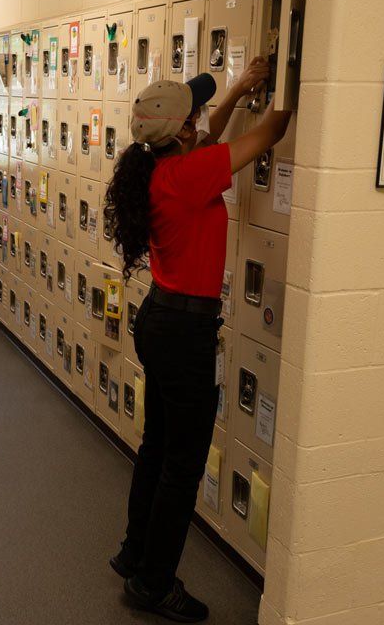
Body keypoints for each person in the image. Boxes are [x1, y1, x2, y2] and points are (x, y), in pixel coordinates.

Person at [103, 61, 292, 623]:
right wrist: (295, 70)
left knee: (156, 448)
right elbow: (272, 133)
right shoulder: (191, 175)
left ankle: (134, 554)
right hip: (184, 336)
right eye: (195, 113)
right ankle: (154, 584)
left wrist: (236, 87)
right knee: (182, 466)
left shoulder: (164, 169)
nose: (203, 118)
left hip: (160, 321)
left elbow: (212, 138)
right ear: (181, 131)